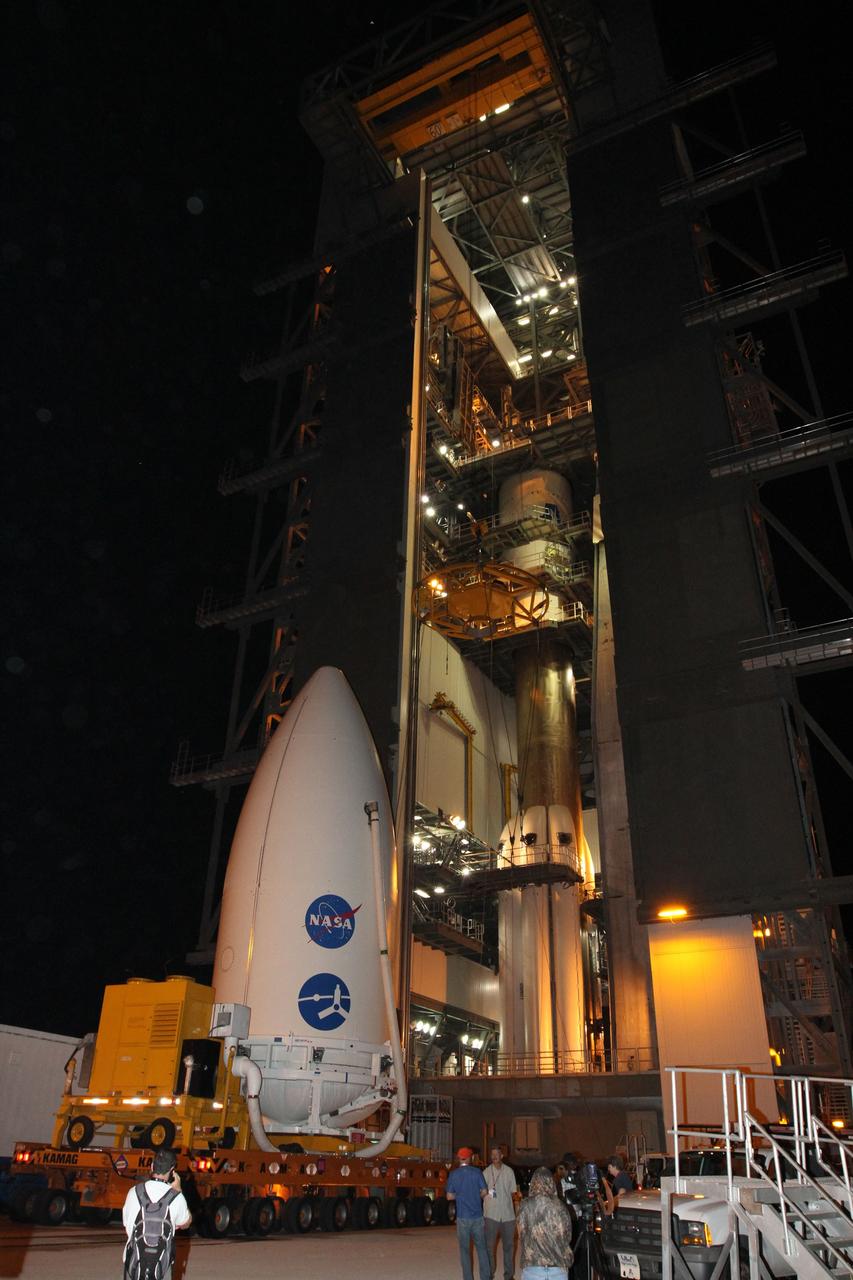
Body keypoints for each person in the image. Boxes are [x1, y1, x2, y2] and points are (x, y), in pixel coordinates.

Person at [122, 1148, 191, 1280]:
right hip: (161, 1266)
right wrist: (178, 1190)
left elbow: (126, 1223)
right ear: (172, 1171)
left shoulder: (133, 1192)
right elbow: (186, 1223)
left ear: (152, 1166)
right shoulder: (176, 1197)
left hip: (133, 1264)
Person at [516, 1165, 574, 1280]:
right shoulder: (561, 1206)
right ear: (551, 1183)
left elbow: (521, 1235)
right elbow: (567, 1237)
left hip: (532, 1268)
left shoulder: (525, 1205)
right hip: (558, 1269)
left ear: (533, 1182)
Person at [447, 1146, 491, 1280]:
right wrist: (476, 1194)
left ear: (459, 1159)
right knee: (482, 1250)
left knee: (465, 1252)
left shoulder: (453, 1174)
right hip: (477, 1218)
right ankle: (485, 1277)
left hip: (462, 1218)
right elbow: (484, 1192)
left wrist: (460, 1195)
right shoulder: (477, 1172)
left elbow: (449, 1196)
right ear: (471, 1158)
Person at [483, 1146, 518, 1280]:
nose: (494, 1157)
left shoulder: (509, 1172)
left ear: (502, 1156)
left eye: (496, 1154)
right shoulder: (486, 1172)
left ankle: (509, 1276)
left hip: (508, 1215)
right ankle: (489, 1274)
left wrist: (517, 1211)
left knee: (509, 1246)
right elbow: (481, 1192)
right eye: (492, 1155)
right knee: (489, 1247)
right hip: (491, 1214)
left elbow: (513, 1192)